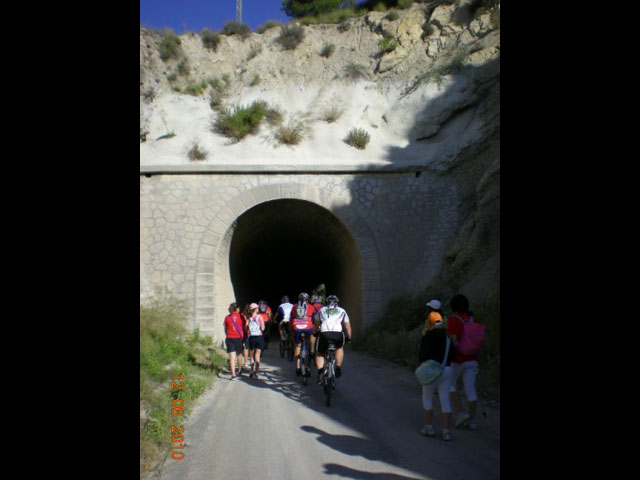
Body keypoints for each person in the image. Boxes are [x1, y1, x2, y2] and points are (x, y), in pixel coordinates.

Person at [418, 300, 455, 440]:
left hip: (431, 370)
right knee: (445, 399)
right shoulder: (447, 337)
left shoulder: (427, 336)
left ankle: (429, 427)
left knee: (427, 398)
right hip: (447, 369)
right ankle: (446, 431)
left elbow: (422, 355)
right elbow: (453, 354)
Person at [447, 294, 480, 430]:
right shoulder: (472, 319)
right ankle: (472, 420)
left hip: (458, 359)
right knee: (470, 389)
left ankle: (461, 413)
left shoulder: (453, 320)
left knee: (450, 384)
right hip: (473, 358)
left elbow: (453, 340)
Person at [315, 294, 352, 382]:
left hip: (324, 334)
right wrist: (349, 338)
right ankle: (338, 368)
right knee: (339, 348)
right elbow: (347, 326)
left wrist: (315, 332)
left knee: (319, 353)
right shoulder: (342, 311)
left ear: (326, 302)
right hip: (338, 334)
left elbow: (316, 323)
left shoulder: (322, 310)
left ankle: (320, 372)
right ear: (337, 303)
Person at [290, 292, 316, 376]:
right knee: (313, 334)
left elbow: (291, 317)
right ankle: (312, 351)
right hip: (308, 327)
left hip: (296, 327)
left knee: (298, 346)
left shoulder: (294, 306)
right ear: (307, 300)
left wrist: (291, 328)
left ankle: (298, 367)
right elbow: (315, 318)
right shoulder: (311, 307)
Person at [223, 302, 245, 380]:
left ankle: (233, 375)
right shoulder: (241, 317)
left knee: (232, 356)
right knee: (239, 354)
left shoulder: (227, 317)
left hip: (229, 338)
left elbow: (225, 329)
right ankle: (239, 370)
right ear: (237, 309)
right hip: (238, 338)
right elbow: (244, 327)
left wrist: (228, 335)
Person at [246, 302, 266, 379]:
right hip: (259, 337)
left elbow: (246, 329)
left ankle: (251, 371)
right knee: (257, 356)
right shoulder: (260, 317)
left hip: (251, 338)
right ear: (256, 309)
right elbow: (263, 328)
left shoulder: (249, 318)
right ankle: (256, 373)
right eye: (257, 308)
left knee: (251, 356)